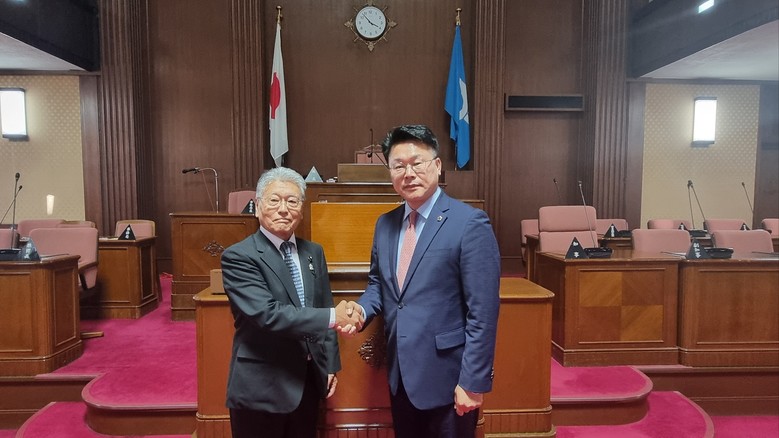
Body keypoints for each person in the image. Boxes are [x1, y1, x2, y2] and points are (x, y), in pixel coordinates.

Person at [349, 125, 501, 438]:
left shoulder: (469, 223)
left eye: (417, 163)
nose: (408, 173)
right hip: (401, 376)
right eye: (398, 166)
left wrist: (473, 382)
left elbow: (483, 313)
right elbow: (379, 285)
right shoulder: (385, 224)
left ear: (437, 165)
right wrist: (362, 310)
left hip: (449, 379)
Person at [221, 167, 363, 438]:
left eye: (292, 201)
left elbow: (324, 303)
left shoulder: (313, 252)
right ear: (257, 207)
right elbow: (268, 314)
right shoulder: (239, 256)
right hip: (262, 384)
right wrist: (335, 317)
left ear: (302, 208)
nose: (283, 209)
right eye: (274, 200)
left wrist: (329, 365)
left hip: (307, 381)